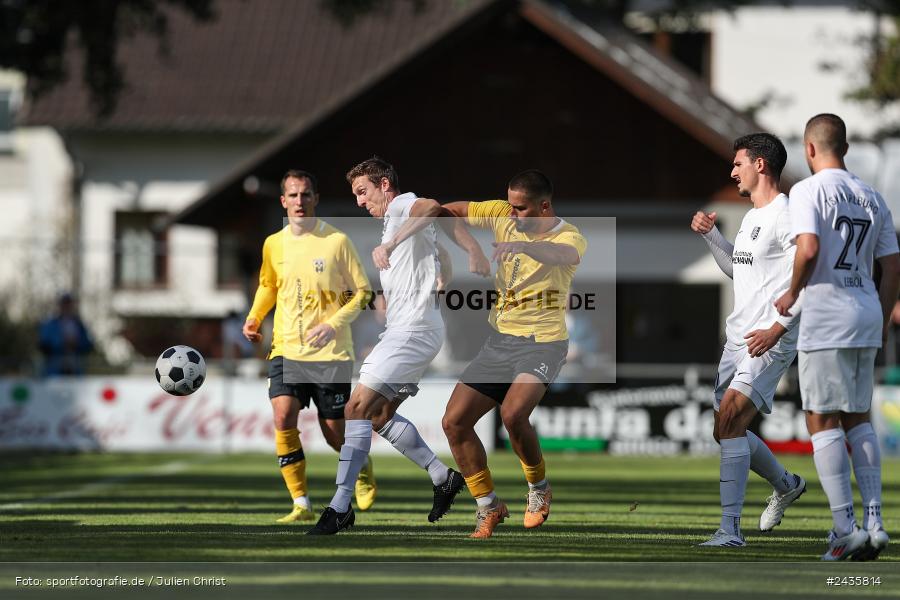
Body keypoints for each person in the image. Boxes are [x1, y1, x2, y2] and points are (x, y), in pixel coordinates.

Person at [307, 157, 487, 535]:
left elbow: (431, 207)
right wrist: (445, 272)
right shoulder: (395, 220)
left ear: (385, 184)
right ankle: (443, 477)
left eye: (363, 191)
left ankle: (340, 506)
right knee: (378, 415)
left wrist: (392, 243)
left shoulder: (403, 204)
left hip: (412, 331)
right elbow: (442, 251)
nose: (359, 201)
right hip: (412, 329)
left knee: (356, 407)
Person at [775, 114, 900, 561]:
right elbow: (894, 266)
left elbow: (808, 248)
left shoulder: (807, 191)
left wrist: (791, 292)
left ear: (810, 149)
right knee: (859, 417)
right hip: (865, 311)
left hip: (827, 315)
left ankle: (844, 529)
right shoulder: (872, 194)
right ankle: (876, 524)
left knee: (821, 419)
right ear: (842, 147)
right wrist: (882, 318)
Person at [440, 170, 586, 538]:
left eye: (521, 209)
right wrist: (472, 248)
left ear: (544, 206)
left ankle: (539, 488)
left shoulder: (569, 235)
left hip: (544, 342)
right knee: (454, 422)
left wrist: (525, 246)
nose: (512, 214)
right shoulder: (502, 213)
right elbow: (442, 211)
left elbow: (561, 254)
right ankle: (488, 506)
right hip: (500, 341)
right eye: (510, 205)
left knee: (513, 414)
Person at [690, 133, 807, 548]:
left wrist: (779, 326)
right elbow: (739, 273)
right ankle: (787, 484)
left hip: (769, 337)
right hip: (738, 337)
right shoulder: (751, 216)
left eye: (738, 163)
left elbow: (807, 274)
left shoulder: (786, 213)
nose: (732, 171)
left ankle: (730, 530)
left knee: (731, 421)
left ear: (760, 165)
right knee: (725, 430)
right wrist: (711, 236)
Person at [243, 169, 375, 523]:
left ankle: (361, 466)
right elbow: (268, 285)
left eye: (305, 195)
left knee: (334, 434)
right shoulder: (274, 243)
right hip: (286, 347)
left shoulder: (336, 242)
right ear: (283, 201)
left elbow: (363, 292)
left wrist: (333, 325)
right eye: (292, 195)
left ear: (315, 199)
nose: (299, 202)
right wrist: (255, 317)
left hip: (331, 354)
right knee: (283, 416)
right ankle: (300, 503)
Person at [38, 293, 94, 376]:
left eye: (68, 304)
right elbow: (43, 345)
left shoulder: (79, 324)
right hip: (54, 370)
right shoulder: (50, 324)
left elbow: (88, 345)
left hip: (76, 370)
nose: (66, 307)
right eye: (64, 304)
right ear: (60, 306)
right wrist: (62, 342)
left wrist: (76, 343)